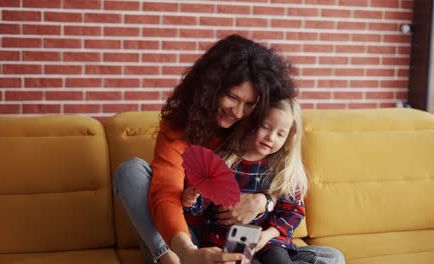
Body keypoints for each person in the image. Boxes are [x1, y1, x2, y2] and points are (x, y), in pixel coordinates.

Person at [113, 34, 343, 264]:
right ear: (211, 88)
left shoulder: (256, 130)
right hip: (185, 240)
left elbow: (284, 180)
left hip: (241, 242)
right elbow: (166, 194)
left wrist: (263, 201)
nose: (238, 112)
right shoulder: (179, 128)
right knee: (130, 171)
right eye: (232, 97)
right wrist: (188, 252)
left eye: (250, 104)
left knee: (331, 257)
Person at [182, 98, 345, 264]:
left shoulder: (283, 169)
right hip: (228, 243)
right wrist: (192, 200)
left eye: (280, 134)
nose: (271, 137)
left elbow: (293, 212)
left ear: (289, 137)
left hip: (269, 241)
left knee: (328, 256)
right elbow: (199, 209)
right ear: (252, 122)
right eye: (265, 127)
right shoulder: (225, 161)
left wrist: (267, 235)